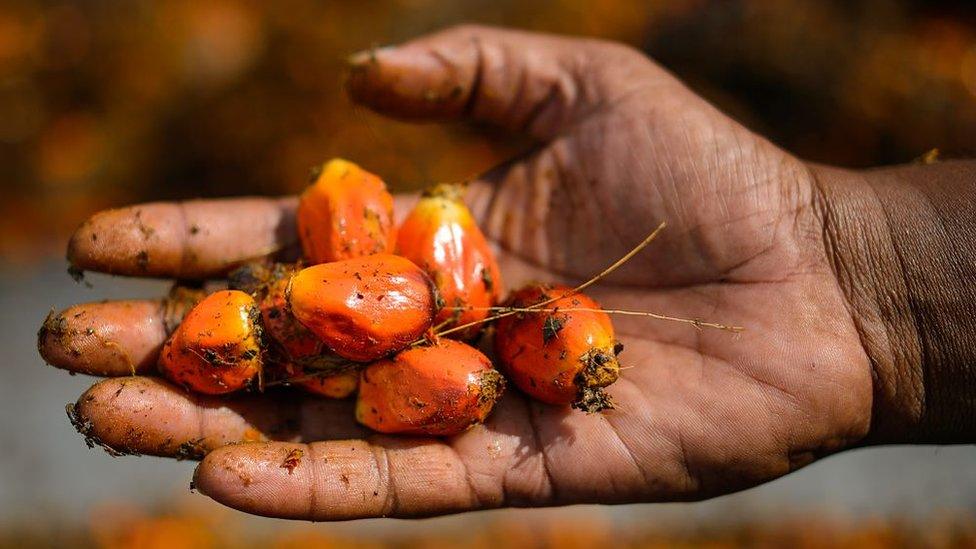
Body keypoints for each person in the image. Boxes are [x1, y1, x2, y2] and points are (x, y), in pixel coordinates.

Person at [39, 26, 975, 520]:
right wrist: (863, 283)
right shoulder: (379, 304)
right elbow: (387, 313)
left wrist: (863, 279)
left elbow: (407, 320)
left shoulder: (440, 316)